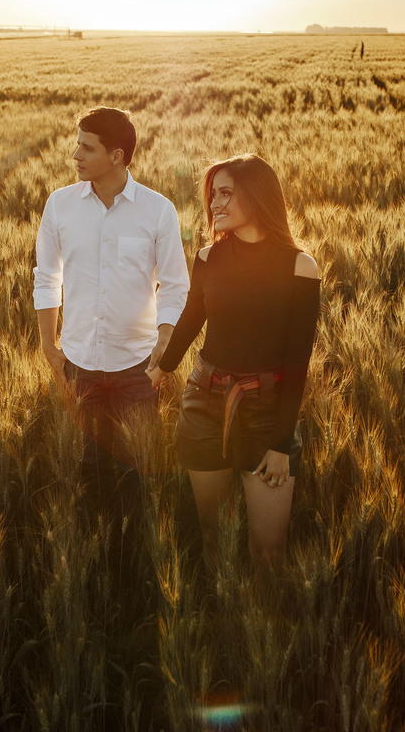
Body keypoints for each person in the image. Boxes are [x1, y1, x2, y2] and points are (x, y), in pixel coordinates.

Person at [146, 154, 319, 577]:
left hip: (267, 413)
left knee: (268, 553)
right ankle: (221, 625)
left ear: (257, 195)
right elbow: (190, 320)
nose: (214, 203)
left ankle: (261, 635)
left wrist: (281, 444)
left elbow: (297, 364)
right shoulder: (209, 258)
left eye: (226, 193)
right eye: (212, 194)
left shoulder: (300, 266)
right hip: (203, 401)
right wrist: (160, 370)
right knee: (213, 535)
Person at [33, 106, 190, 528]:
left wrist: (163, 343)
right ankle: (95, 552)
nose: (75, 155)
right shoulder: (60, 205)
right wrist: (49, 346)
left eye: (86, 147)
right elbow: (47, 277)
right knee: (88, 474)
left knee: (136, 474)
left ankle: (132, 558)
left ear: (117, 155)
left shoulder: (158, 211)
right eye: (76, 144)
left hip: (137, 369)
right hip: (79, 365)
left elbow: (175, 284)